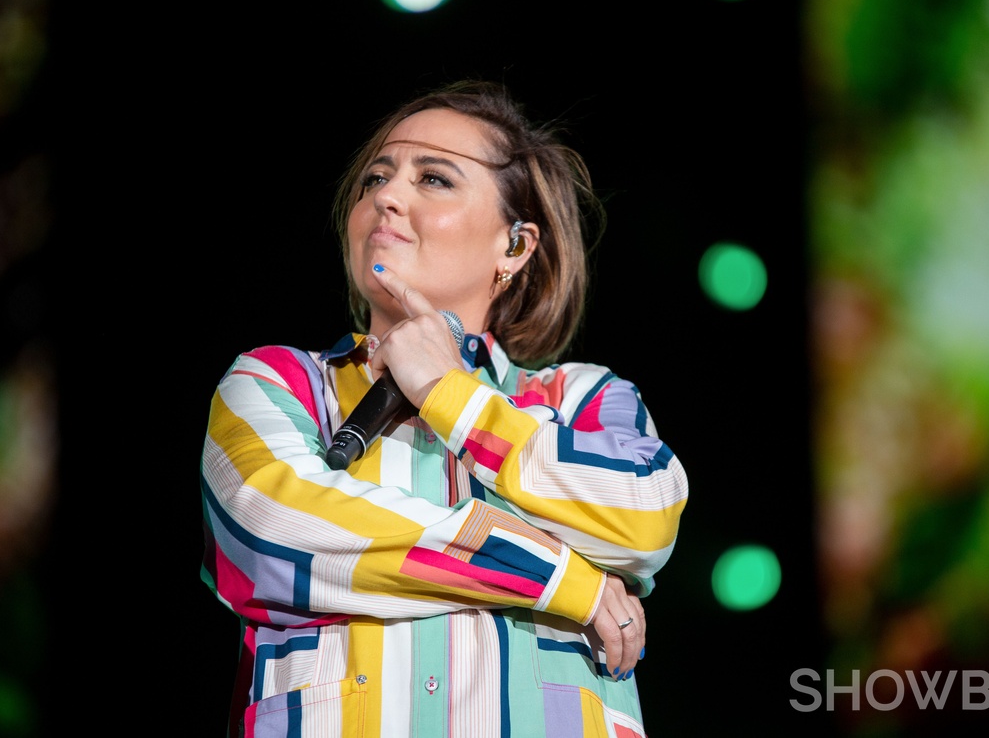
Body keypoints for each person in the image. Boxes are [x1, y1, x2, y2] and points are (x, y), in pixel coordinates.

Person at [199, 79, 689, 738]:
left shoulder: (582, 397)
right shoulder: (278, 382)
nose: (387, 197)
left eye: (434, 179)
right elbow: (269, 532)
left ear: (514, 246)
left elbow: (645, 516)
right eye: (375, 177)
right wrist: (562, 576)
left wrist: (448, 393)